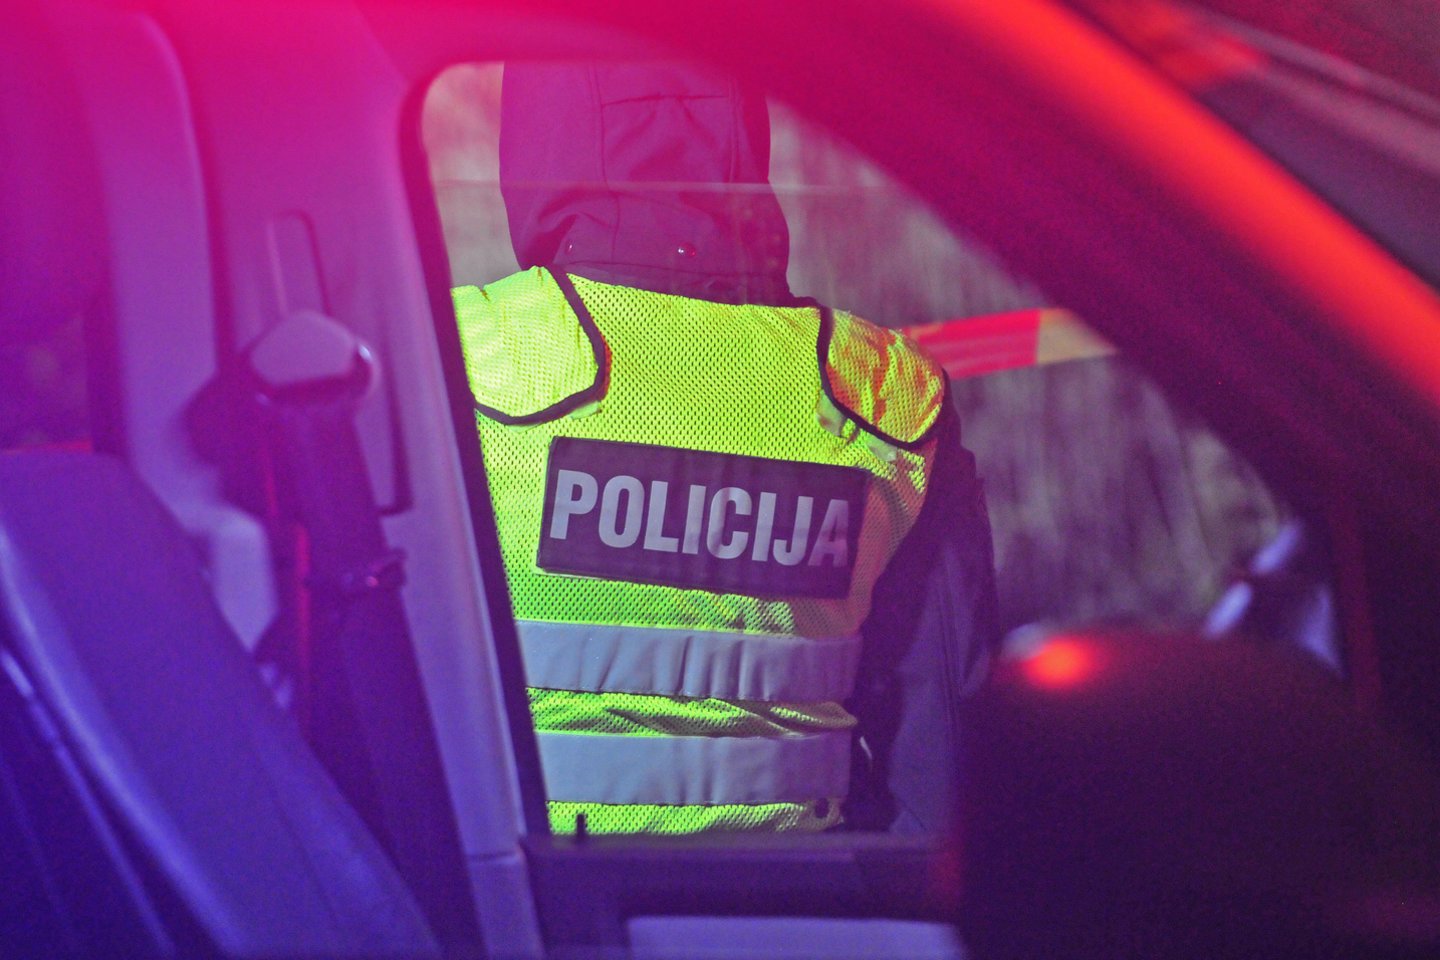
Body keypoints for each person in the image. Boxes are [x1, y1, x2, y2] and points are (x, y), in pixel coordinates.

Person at [451, 62, 999, 836]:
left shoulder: (469, 356)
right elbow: (943, 775)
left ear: (538, 138)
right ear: (743, 126)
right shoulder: (881, 396)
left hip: (530, 896)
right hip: (796, 898)